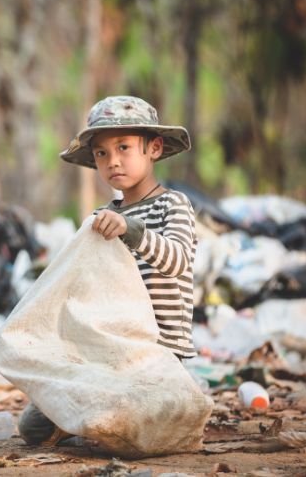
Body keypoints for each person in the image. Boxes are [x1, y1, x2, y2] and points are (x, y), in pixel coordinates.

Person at [18, 95, 198, 446]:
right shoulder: (101, 216)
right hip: (109, 350)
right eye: (102, 153)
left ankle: (113, 419)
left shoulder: (172, 204)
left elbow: (178, 260)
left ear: (154, 148)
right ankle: (91, 421)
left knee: (136, 425)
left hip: (158, 354)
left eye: (124, 147)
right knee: (33, 427)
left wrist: (130, 229)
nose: (113, 161)